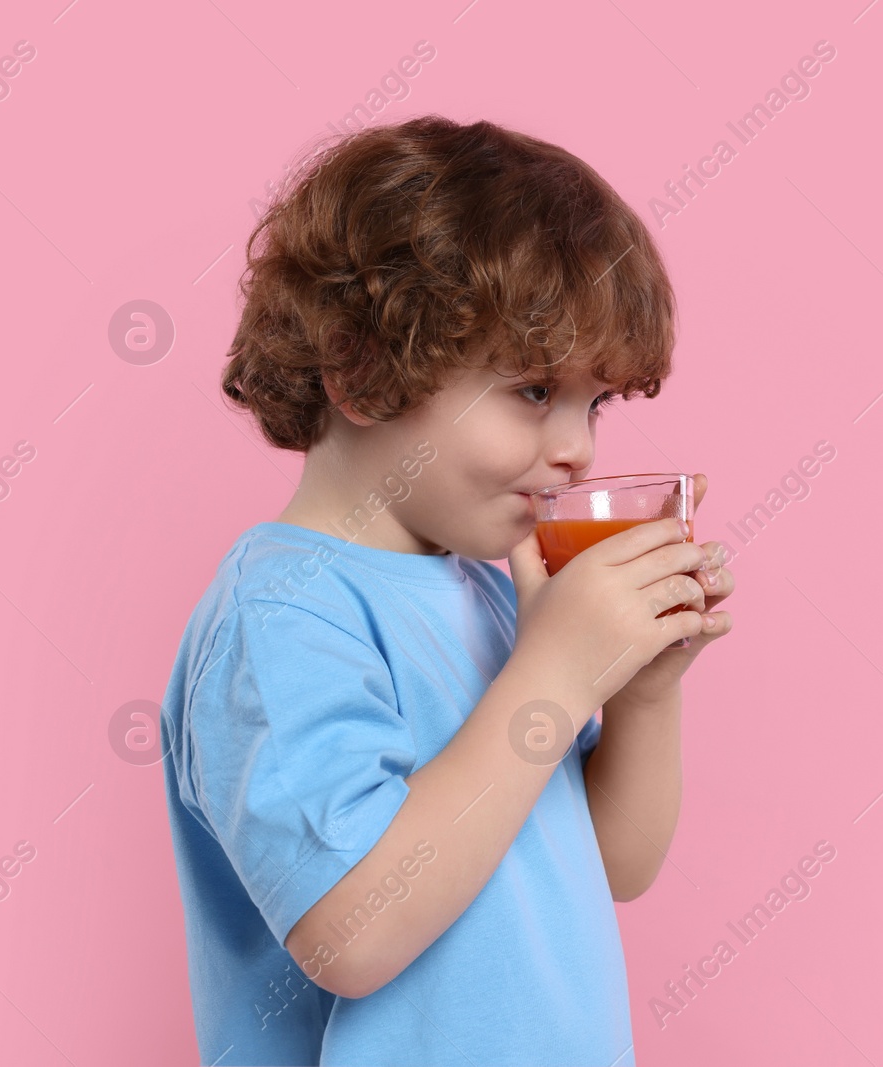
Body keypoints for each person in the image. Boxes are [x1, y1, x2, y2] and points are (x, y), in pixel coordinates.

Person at [158, 115, 734, 1066]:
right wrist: (553, 672)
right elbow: (351, 932)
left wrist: (639, 687)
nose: (578, 447)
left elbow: (614, 866)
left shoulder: (495, 591)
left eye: (597, 404)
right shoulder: (282, 614)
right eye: (535, 390)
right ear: (364, 367)